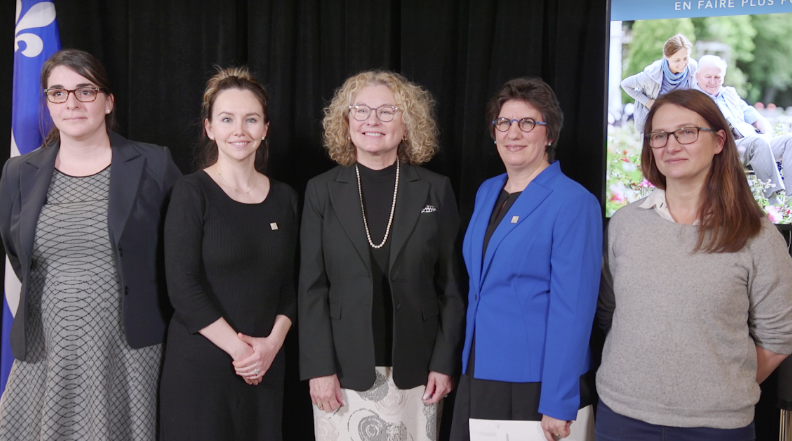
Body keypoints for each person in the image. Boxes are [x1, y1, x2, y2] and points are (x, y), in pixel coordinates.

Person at [0, 49, 181, 440]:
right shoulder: (18, 173)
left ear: (108, 100)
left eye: (85, 90)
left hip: (129, 350)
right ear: (47, 102)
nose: (72, 103)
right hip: (46, 349)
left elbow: (180, 252)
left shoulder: (154, 164)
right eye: (59, 93)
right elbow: (17, 253)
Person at [597, 89, 792, 440]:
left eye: (687, 132)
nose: (671, 145)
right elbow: (609, 311)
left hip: (716, 426)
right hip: (621, 417)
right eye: (659, 135)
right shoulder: (624, 225)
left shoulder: (757, 236)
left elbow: (778, 337)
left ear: (719, 141)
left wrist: (722, 384)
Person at [299, 70, 465, 440]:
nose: (372, 121)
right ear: (346, 121)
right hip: (341, 373)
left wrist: (443, 362)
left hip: (419, 372)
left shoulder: (436, 190)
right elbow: (311, 288)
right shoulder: (320, 191)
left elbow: (452, 285)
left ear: (407, 124)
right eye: (361, 110)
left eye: (388, 112)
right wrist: (318, 368)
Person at [450, 77, 602, 441]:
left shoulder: (574, 202)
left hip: (534, 381)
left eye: (527, 123)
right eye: (504, 123)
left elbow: (574, 309)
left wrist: (558, 399)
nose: (513, 133)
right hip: (479, 368)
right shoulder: (489, 190)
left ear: (549, 135)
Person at [159, 67, 297, 440]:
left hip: (265, 369)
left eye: (251, 119)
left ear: (265, 128)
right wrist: (241, 352)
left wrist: (269, 347)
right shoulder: (191, 193)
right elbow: (182, 288)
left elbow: (292, 284)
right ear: (209, 128)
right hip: (203, 367)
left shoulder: (286, 198)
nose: (240, 130)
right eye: (227, 119)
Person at [695, 54, 792, 205]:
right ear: (697, 76)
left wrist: (767, 134)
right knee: (758, 142)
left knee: (789, 141)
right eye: (708, 77)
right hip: (728, 149)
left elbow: (758, 119)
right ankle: (775, 202)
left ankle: (790, 200)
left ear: (724, 77)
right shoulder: (693, 100)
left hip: (756, 142)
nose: (713, 82)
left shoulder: (729, 95)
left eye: (717, 77)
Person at [622, 34, 698, 133]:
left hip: (681, 123)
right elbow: (625, 84)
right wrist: (647, 102)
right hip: (655, 125)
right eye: (677, 60)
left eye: (685, 58)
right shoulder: (651, 75)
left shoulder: (692, 67)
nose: (682, 64)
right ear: (666, 57)